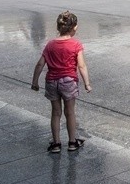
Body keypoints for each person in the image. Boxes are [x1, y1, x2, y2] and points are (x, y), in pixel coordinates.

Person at [31, 10, 92, 153]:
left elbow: (40, 64)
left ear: (58, 27)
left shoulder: (50, 45)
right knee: (70, 112)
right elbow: (82, 65)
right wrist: (87, 83)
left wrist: (35, 82)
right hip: (69, 82)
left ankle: (56, 144)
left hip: (52, 82)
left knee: (56, 113)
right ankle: (72, 142)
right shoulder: (76, 45)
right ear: (74, 27)